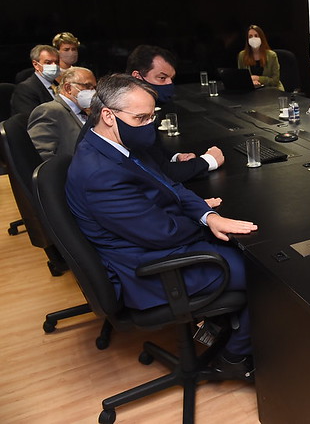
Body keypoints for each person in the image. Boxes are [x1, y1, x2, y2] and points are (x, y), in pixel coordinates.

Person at [66, 74, 257, 379]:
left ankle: (219, 327)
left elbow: (171, 186)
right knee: (261, 272)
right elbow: (163, 233)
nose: (148, 125)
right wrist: (203, 225)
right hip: (151, 267)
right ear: (108, 115)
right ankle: (235, 356)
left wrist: (209, 216)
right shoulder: (98, 174)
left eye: (151, 116)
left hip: (157, 243)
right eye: (141, 118)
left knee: (241, 245)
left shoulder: (118, 143)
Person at [127, 44, 225, 183]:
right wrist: (209, 160)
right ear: (137, 76)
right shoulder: (130, 113)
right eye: (162, 78)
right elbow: (162, 173)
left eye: (171, 79)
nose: (169, 84)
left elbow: (154, 154)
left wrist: (176, 157)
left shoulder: (135, 104)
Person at [28, 67, 96, 161]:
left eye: (94, 88)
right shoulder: (49, 111)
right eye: (87, 86)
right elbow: (41, 155)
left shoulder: (86, 112)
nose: (92, 92)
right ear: (68, 88)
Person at [11, 45, 61, 118]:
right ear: (36, 65)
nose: (54, 66)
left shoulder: (58, 85)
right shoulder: (25, 89)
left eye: (56, 62)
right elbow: (33, 119)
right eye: (48, 63)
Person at [237, 25, 283, 90]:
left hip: (271, 90)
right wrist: (251, 82)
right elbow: (241, 79)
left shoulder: (272, 55)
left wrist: (258, 79)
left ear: (261, 37)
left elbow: (275, 81)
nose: (253, 38)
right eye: (250, 36)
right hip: (252, 91)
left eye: (256, 36)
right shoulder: (242, 55)